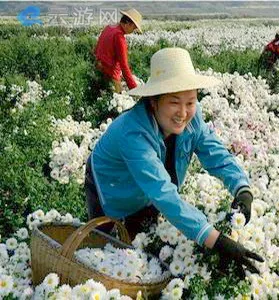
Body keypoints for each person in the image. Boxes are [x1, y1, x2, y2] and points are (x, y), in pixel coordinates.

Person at [85, 47, 264, 274]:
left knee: (144, 239)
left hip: (150, 190)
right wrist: (217, 241)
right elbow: (162, 192)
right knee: (106, 250)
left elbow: (214, 152)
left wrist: (242, 189)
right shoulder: (133, 133)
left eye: (190, 101)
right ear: (153, 102)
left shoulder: (192, 116)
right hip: (112, 183)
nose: (183, 112)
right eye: (174, 102)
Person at [94, 9, 142, 93]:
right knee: (118, 97)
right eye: (133, 28)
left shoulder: (110, 27)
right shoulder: (119, 37)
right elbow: (124, 66)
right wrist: (134, 89)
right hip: (111, 73)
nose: (132, 32)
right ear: (128, 24)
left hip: (99, 66)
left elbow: (97, 47)